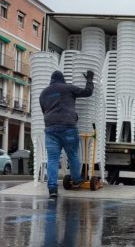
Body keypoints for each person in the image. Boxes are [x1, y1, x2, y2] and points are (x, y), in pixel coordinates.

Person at [39, 70, 94, 198]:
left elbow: (44, 111)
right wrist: (90, 79)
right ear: (62, 79)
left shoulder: (43, 93)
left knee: (52, 159)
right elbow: (88, 92)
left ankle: (52, 188)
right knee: (73, 155)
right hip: (68, 127)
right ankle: (76, 179)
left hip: (51, 129)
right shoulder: (68, 88)